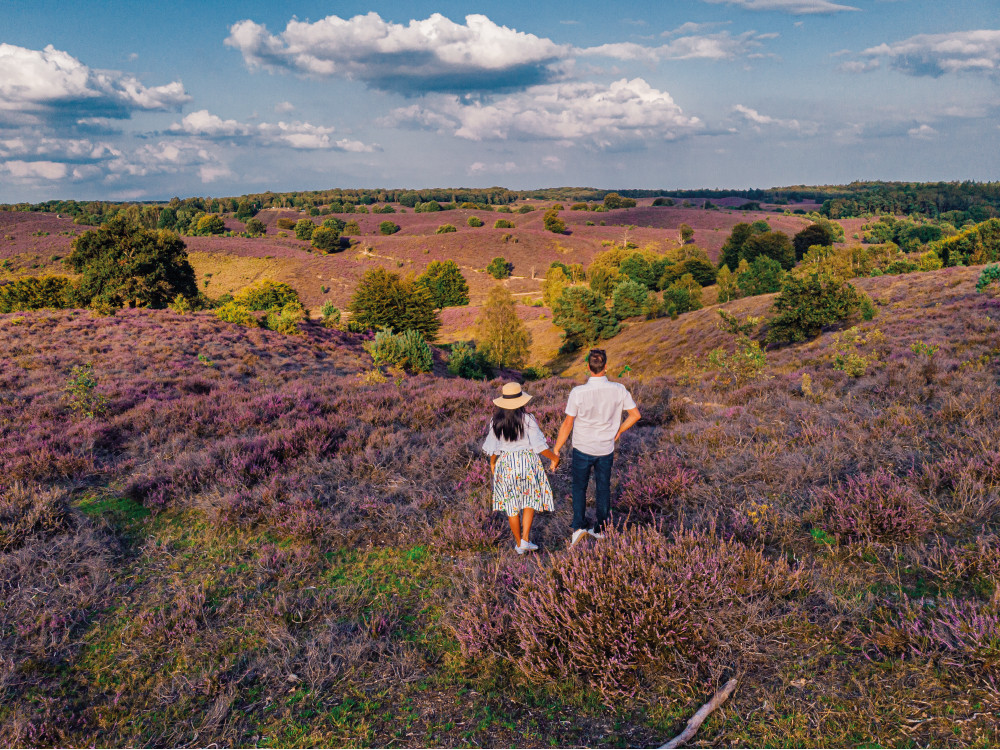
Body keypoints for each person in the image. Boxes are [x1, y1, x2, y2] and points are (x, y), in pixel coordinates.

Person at [553, 349, 641, 546]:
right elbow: (635, 415)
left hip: (582, 447)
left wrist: (557, 449)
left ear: (588, 368)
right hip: (605, 449)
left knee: (579, 487)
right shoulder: (619, 389)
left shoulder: (578, 393)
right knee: (603, 488)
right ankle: (601, 529)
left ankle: (579, 528)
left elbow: (568, 423)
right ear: (606, 366)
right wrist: (619, 431)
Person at [482, 382, 560, 554]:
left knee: (511, 507)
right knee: (529, 501)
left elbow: (494, 448)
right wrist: (554, 458)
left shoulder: (495, 421)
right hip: (527, 463)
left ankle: (519, 544)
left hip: (506, 465)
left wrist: (493, 462)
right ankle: (525, 539)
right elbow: (540, 446)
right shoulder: (528, 419)